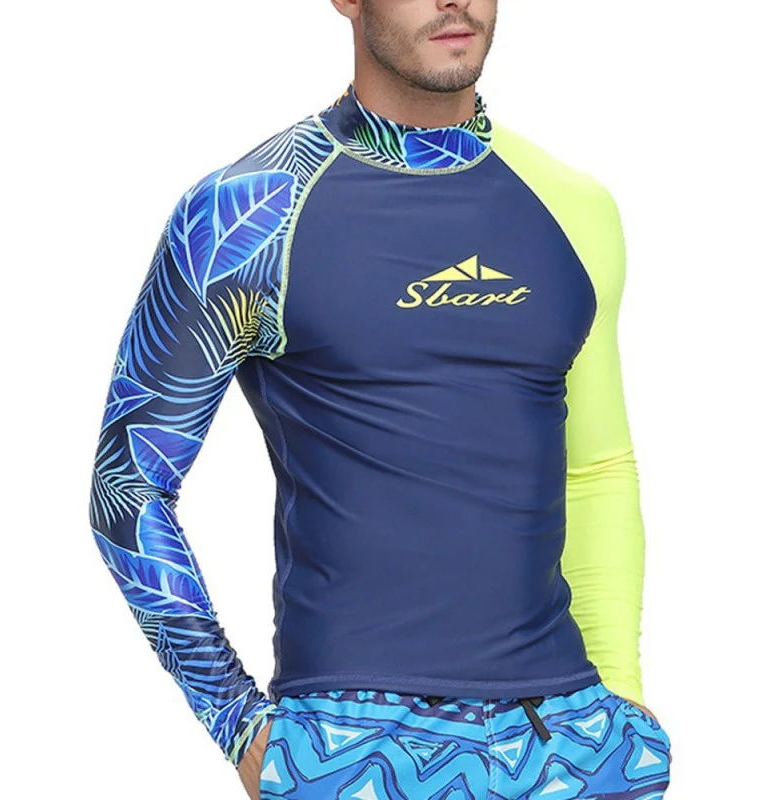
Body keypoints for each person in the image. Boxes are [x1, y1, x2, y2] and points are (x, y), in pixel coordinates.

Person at [87, 0, 672, 797]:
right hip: (350, 751)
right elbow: (128, 490)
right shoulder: (249, 213)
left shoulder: (575, 206)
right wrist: (243, 729)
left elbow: (596, 468)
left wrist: (622, 709)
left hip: (571, 746)